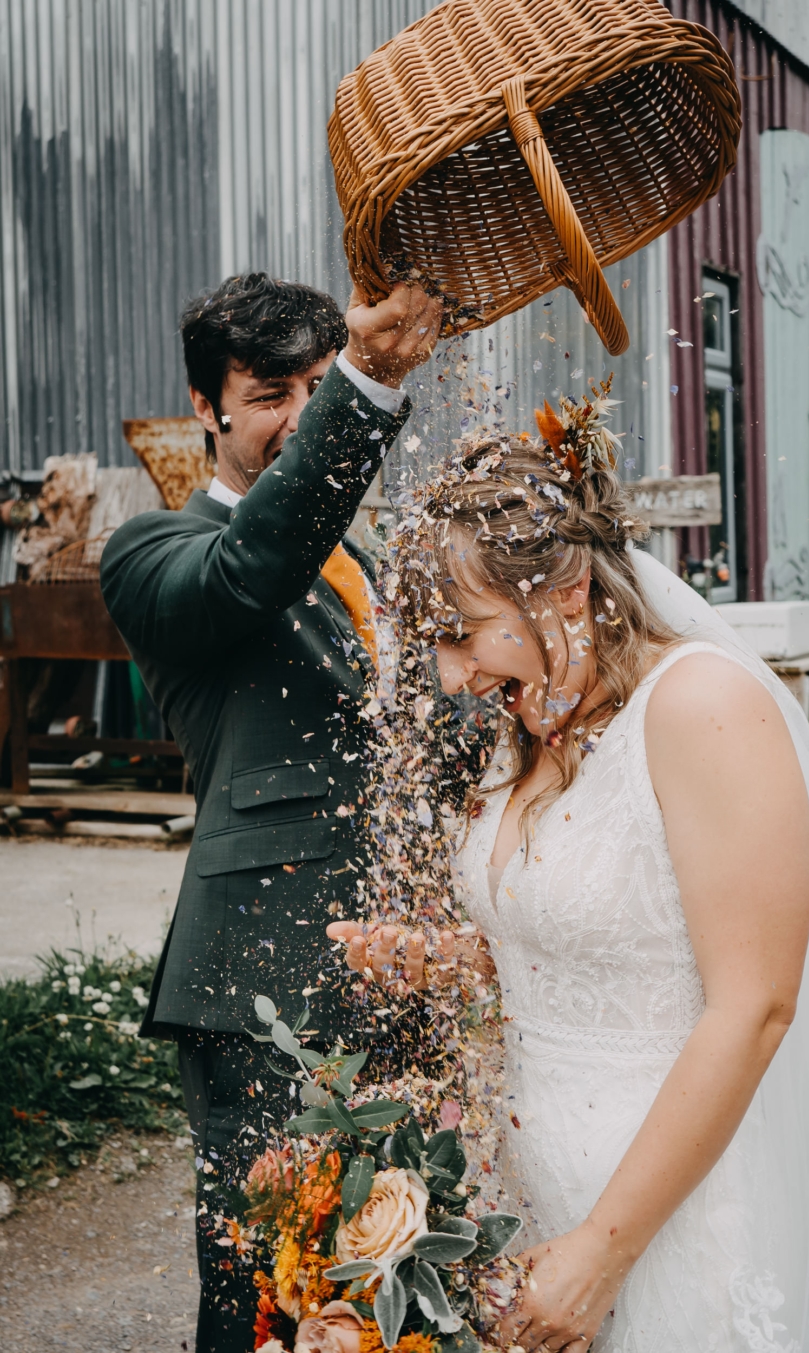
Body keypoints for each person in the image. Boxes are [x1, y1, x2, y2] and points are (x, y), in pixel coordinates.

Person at [341, 397, 809, 1351]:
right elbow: (593, 950)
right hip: (536, 1200)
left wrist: (604, 1248)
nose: (448, 676)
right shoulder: (532, 731)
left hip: (674, 1220)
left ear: (562, 594)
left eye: (465, 632)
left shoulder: (702, 707)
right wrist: (451, 958)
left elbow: (754, 1005)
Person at [100, 272, 442, 1352]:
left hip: (400, 974)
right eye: (271, 392)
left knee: (399, 1283)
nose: (299, 413)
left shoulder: (370, 560)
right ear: (206, 409)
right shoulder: (154, 556)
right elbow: (257, 568)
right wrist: (363, 383)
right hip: (264, 984)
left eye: (314, 384)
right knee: (264, 1300)